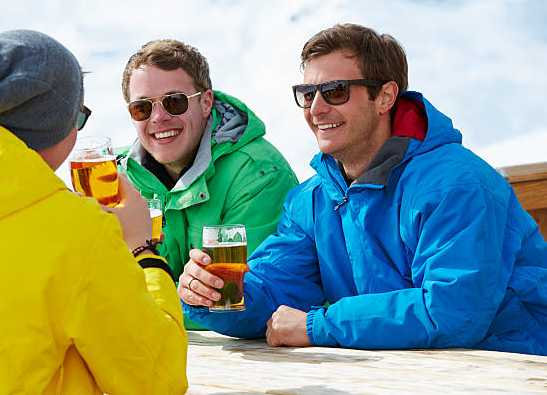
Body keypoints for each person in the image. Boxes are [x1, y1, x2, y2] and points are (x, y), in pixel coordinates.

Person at [179, 23, 547, 355]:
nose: (316, 108)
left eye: (335, 91)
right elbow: (276, 292)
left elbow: (453, 312)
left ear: (385, 97)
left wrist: (317, 325)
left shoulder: (457, 186)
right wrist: (215, 295)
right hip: (409, 371)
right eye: (307, 94)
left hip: (515, 367)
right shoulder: (312, 201)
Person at [0, 30, 187, 393]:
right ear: (56, 126)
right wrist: (142, 250)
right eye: (79, 116)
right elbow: (157, 380)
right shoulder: (77, 232)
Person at [117, 39, 298, 281]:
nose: (159, 117)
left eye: (175, 101)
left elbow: (238, 302)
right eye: (142, 107)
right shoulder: (116, 180)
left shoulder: (258, 175)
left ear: (206, 103)